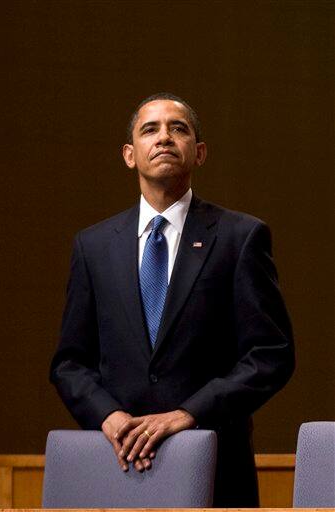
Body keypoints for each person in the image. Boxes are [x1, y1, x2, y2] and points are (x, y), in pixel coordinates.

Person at [50, 92, 295, 507]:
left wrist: (188, 414)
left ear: (199, 153)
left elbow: (270, 355)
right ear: (130, 155)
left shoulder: (240, 238)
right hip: (117, 465)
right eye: (150, 129)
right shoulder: (92, 247)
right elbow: (70, 363)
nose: (164, 137)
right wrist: (109, 417)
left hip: (215, 470)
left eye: (177, 128)